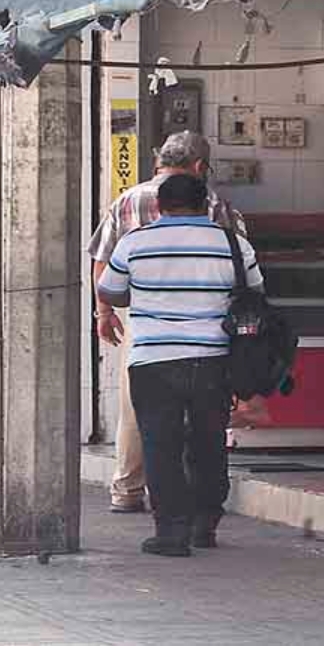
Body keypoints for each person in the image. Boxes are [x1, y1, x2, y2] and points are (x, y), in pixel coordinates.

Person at [97, 173, 264, 556]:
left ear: (159, 206)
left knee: (161, 444)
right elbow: (255, 292)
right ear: (205, 204)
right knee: (208, 443)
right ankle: (205, 524)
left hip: (154, 360)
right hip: (214, 360)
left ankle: (171, 531)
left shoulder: (136, 242)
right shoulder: (233, 244)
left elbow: (110, 289)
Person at [86, 131, 246, 514]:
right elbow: (242, 264)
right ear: (199, 167)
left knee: (138, 408)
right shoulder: (214, 204)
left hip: (144, 321)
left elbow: (102, 262)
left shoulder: (127, 200)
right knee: (203, 417)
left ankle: (129, 490)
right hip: (209, 323)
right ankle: (197, 503)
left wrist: (104, 312)